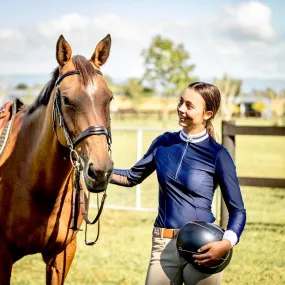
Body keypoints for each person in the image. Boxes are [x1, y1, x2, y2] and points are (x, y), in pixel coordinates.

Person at [110, 82, 246, 285]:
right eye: (181, 102)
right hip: (163, 245)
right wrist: (96, 172)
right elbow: (131, 177)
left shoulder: (219, 155)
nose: (181, 109)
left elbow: (238, 210)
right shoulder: (163, 143)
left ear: (207, 114)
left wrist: (226, 243)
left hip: (205, 248)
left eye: (189, 106)